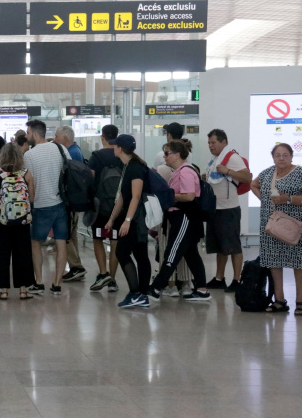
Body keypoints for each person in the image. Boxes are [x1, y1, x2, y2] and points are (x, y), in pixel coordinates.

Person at [149, 141, 211, 302]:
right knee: (191, 254)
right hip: (183, 217)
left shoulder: (186, 172)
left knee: (172, 252)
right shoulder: (178, 172)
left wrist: (168, 195)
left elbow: (189, 196)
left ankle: (156, 288)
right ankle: (202, 290)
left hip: (185, 217)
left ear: (177, 155)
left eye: (167, 153)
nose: (164, 156)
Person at [250, 143, 302, 314]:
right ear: (273, 157)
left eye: (285, 155)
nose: (281, 158)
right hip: (271, 225)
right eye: (277, 155)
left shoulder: (299, 173)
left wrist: (288, 199)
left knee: (298, 262)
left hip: (293, 225)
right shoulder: (267, 173)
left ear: (291, 157)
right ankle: (279, 300)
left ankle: (300, 301)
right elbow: (253, 185)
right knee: (273, 262)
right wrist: (264, 200)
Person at [24, 120, 70, 296]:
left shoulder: (29, 155)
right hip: (61, 204)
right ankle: (57, 284)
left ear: (35, 134)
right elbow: (69, 173)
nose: (27, 136)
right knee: (61, 243)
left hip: (41, 205)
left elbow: (30, 183)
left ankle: (39, 282)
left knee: (36, 243)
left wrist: (30, 203)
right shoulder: (60, 148)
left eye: (28, 133)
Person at [105, 134, 151, 308]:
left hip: (137, 220)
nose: (113, 148)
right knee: (140, 255)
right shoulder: (127, 166)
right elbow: (123, 197)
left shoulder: (136, 168)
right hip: (134, 218)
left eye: (115, 145)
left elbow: (136, 196)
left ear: (120, 149)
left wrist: (128, 220)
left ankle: (136, 293)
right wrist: (112, 219)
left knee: (122, 252)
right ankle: (142, 295)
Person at [0, 143, 36, 300]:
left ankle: (3, 291)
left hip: (2, 219)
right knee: (23, 253)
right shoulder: (26, 173)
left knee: (3, 253)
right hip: (22, 220)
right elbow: (32, 198)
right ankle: (23, 290)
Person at [204, 129, 252, 292]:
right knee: (220, 246)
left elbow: (247, 177)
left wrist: (228, 171)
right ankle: (219, 278)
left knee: (233, 247)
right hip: (215, 209)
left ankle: (237, 280)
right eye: (209, 143)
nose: (210, 146)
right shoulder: (215, 159)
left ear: (224, 142)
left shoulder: (232, 157)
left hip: (228, 210)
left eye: (213, 142)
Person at [86, 124, 121, 293]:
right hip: (118, 206)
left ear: (103, 137)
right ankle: (112, 280)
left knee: (98, 238)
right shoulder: (121, 155)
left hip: (100, 206)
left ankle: (102, 273)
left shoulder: (96, 156)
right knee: (115, 241)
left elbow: (90, 179)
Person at [54, 125, 88, 283]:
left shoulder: (71, 154)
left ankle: (77, 267)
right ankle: (76, 266)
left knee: (65, 234)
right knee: (71, 234)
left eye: (57, 136)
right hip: (74, 200)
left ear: (65, 138)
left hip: (71, 200)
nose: (55, 140)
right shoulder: (75, 150)